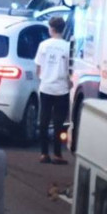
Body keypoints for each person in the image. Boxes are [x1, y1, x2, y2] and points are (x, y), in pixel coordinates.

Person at [35, 15, 72, 165]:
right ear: (62, 29)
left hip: (46, 87)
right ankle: (57, 154)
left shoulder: (43, 45)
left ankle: (44, 153)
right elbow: (69, 69)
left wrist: (42, 78)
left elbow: (38, 67)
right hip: (61, 88)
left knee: (44, 120)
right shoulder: (67, 47)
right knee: (58, 122)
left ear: (51, 29)